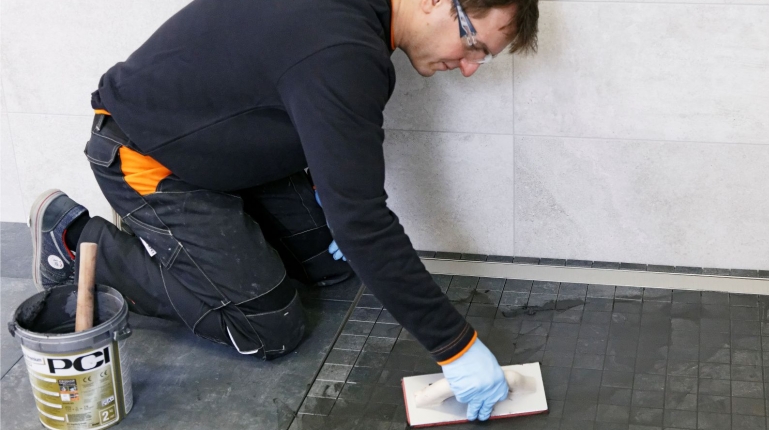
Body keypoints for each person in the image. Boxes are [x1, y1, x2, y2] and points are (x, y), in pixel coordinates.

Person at [29, 0, 538, 421]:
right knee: (269, 327)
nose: (468, 66)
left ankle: (207, 253)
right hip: (148, 152)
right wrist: (456, 346)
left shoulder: (355, 25)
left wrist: (331, 190)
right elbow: (362, 222)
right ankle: (77, 244)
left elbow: (288, 93)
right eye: (473, 44)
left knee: (327, 263)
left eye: (484, 58)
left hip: (215, 146)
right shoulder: (345, 52)